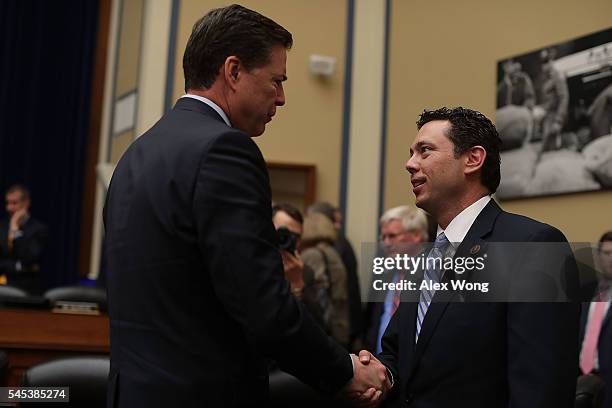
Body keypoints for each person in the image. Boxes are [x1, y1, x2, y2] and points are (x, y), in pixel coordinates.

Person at [103, 5, 389, 407]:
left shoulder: (136, 154)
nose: (283, 97)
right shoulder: (224, 150)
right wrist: (346, 371)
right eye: (276, 80)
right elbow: (263, 308)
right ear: (233, 71)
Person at [361, 107, 580, 407]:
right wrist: (379, 374)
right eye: (411, 153)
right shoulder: (426, 257)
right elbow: (401, 353)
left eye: (425, 151)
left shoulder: (532, 246)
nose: (409, 164)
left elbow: (540, 386)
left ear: (473, 159)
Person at [363, 205, 428, 354]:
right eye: (383, 237)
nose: (386, 243)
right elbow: (373, 321)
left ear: (416, 235)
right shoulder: (384, 273)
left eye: (392, 236)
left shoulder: (432, 275)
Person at [308, 202, 363, 349]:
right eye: (335, 221)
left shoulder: (331, 247)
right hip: (343, 326)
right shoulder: (338, 245)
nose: (338, 226)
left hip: (331, 329)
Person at [301, 212, 350, 348]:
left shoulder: (311, 255)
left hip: (323, 330)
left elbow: (314, 295)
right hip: (339, 325)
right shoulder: (332, 252)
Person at [579, 231, 612, 408]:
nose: (611, 258)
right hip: (581, 381)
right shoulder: (586, 291)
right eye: (607, 253)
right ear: (599, 256)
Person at [0, 184, 47, 294]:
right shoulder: (1, 226)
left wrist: (15, 230)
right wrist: (17, 266)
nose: (9, 208)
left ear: (26, 203)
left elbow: (28, 258)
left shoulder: (38, 229)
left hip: (27, 288)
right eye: (8, 203)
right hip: (2, 284)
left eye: (14, 203)